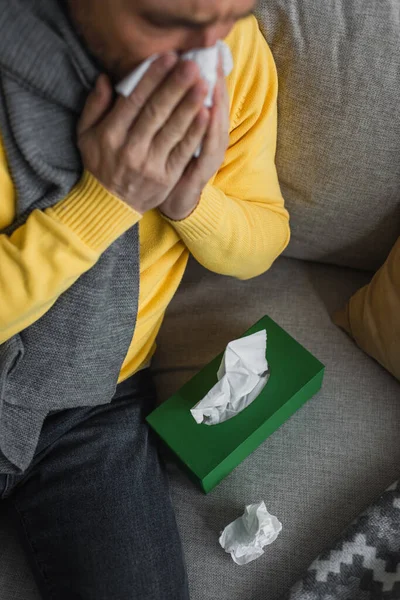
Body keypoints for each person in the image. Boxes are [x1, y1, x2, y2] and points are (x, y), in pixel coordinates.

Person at [0, 0, 290, 598]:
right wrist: (107, 200)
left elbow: (264, 237)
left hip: (100, 395)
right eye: (166, 22)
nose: (206, 53)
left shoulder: (232, 48)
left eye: (230, 16)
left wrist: (188, 197)